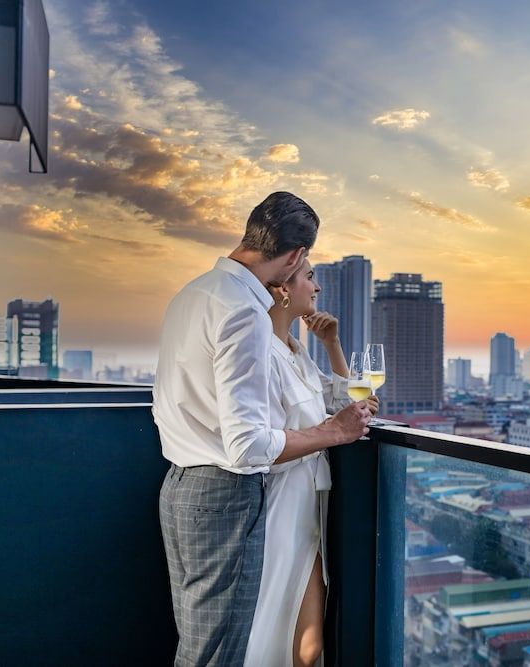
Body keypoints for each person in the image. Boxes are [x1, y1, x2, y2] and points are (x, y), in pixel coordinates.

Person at [154, 192, 372, 666]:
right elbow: (248, 444)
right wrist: (335, 433)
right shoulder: (241, 308)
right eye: (307, 269)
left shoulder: (192, 293)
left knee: (205, 645)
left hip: (182, 484)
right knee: (219, 652)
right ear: (294, 256)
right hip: (223, 491)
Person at [244, 258, 378, 667]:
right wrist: (330, 430)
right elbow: (261, 443)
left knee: (306, 644)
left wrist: (332, 344)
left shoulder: (296, 350)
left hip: (309, 505)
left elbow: (351, 404)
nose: (317, 289)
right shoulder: (260, 353)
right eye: (309, 277)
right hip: (281, 506)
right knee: (282, 632)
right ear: (284, 288)